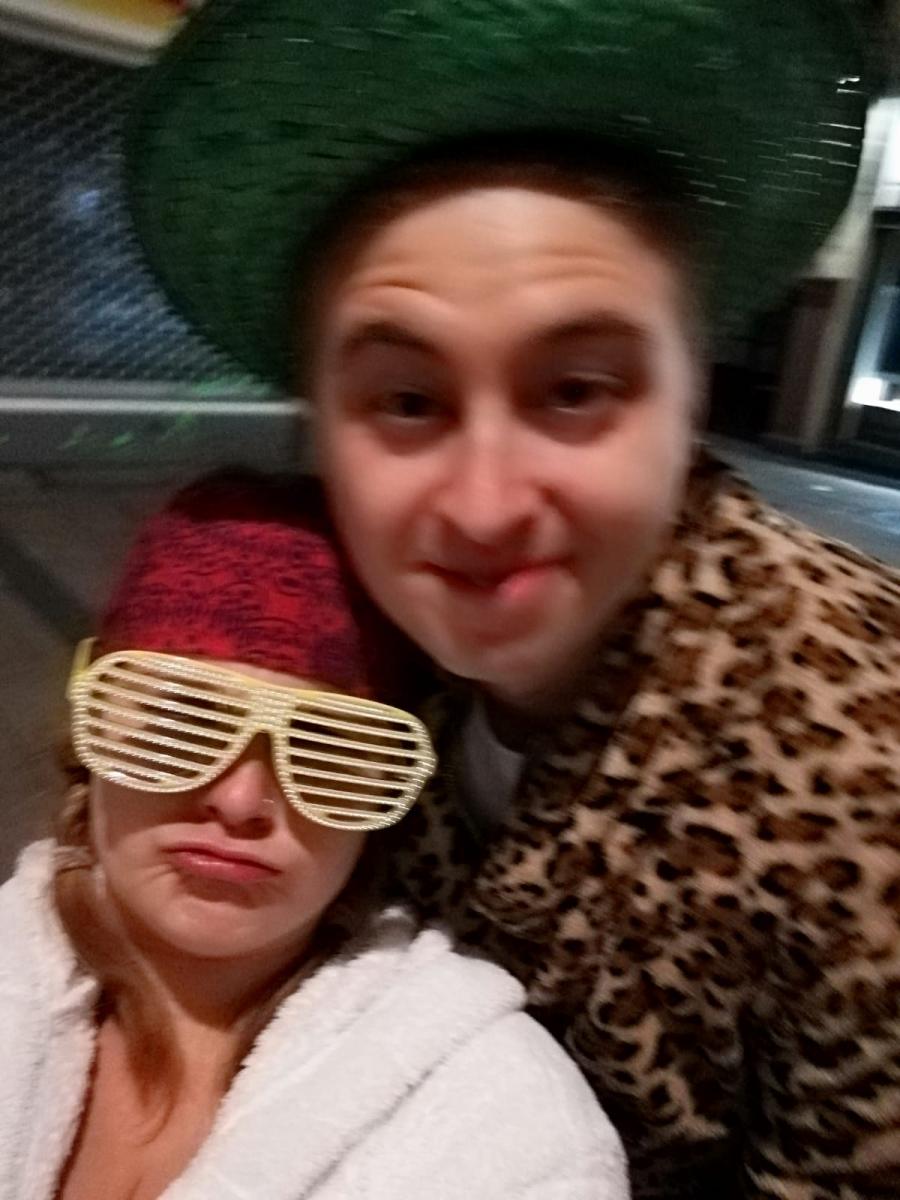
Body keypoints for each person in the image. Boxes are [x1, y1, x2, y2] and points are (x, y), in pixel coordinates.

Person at [124, 1, 900, 1196]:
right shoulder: (342, 641)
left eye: (576, 389)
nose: (484, 507)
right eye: (408, 401)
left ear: (690, 397)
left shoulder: (862, 771)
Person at [0, 471, 627, 1200]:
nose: (239, 801)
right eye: (181, 725)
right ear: (93, 728)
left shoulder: (509, 1129)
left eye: (324, 748)